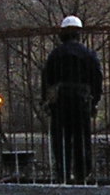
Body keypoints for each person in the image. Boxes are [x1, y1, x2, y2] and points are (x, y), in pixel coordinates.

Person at [41, 15, 103, 183]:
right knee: (82, 138)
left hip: (60, 101)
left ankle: (63, 173)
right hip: (81, 100)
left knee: (61, 139)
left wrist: (46, 101)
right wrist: (94, 101)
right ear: (79, 33)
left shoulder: (55, 54)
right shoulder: (88, 54)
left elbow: (46, 78)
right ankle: (82, 174)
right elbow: (97, 77)